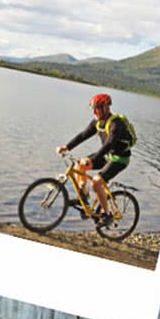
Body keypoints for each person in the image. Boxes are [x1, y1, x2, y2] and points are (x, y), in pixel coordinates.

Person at [55, 92, 136, 223]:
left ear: (106, 108)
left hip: (119, 159)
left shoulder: (116, 123)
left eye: (97, 108)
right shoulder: (98, 122)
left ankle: (107, 214)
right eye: (93, 108)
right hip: (107, 155)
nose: (94, 112)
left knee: (96, 182)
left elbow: (109, 144)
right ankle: (84, 197)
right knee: (79, 165)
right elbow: (83, 135)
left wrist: (93, 159)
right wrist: (67, 147)